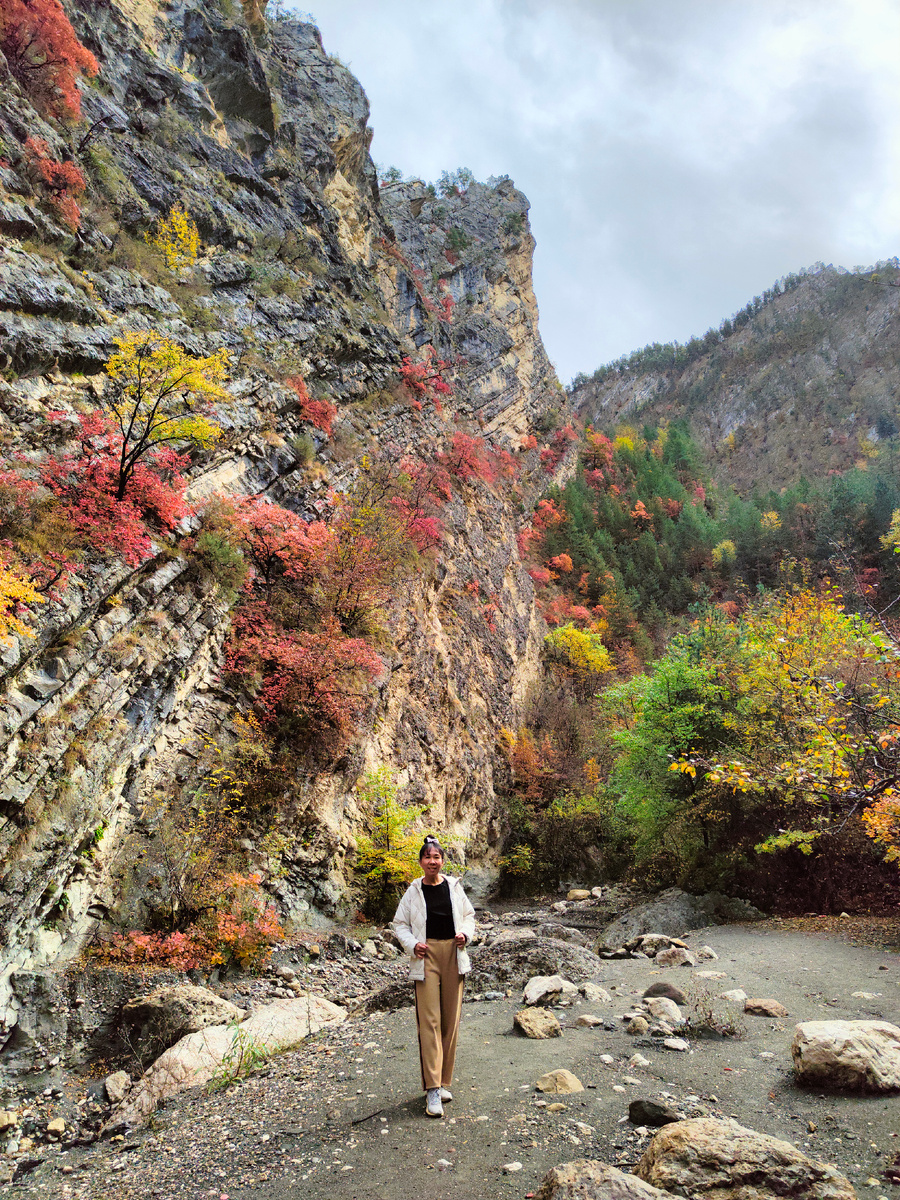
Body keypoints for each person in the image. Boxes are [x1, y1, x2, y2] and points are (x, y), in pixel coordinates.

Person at [391, 835, 476, 1118]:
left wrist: (465, 935)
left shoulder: (454, 888)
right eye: (427, 857)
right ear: (421, 862)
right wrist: (412, 944)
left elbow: (469, 916)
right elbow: (399, 923)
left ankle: (443, 1081)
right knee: (430, 1022)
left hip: (453, 953)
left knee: (450, 1020)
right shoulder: (413, 891)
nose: (432, 861)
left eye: (436, 857)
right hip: (425, 956)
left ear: (442, 860)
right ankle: (432, 1089)